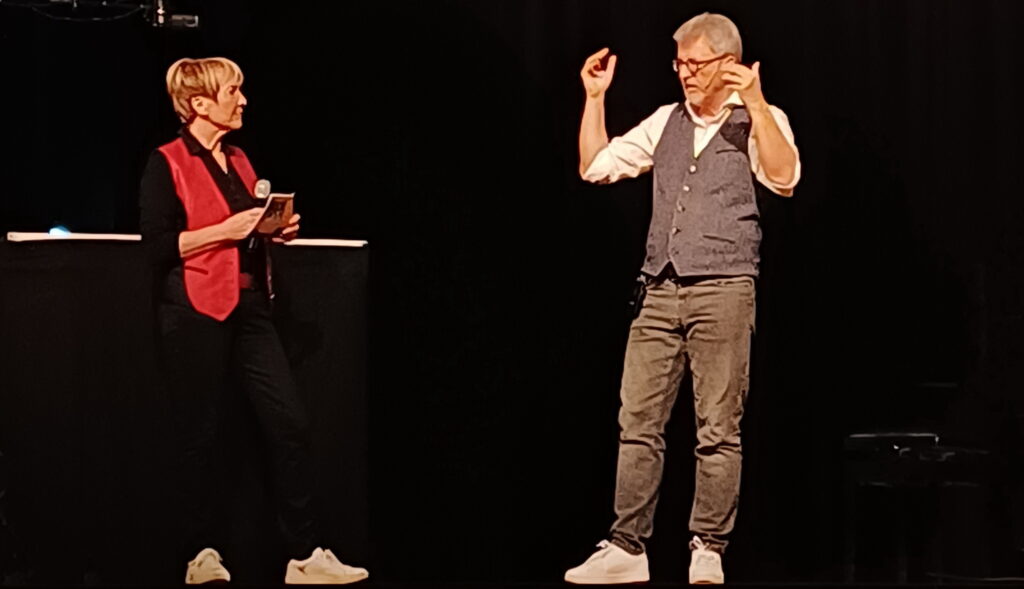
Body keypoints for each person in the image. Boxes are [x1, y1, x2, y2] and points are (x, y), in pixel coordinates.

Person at [564, 12, 800, 585]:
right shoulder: (666, 120)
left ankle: (708, 547)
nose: (686, 74)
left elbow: (784, 176)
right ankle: (627, 546)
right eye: (680, 64)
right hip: (660, 288)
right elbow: (595, 166)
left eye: (696, 64)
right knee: (637, 420)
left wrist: (757, 103)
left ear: (729, 64)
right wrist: (594, 99)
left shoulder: (759, 118)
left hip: (724, 288)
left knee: (717, 426)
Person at [139, 57, 368, 585]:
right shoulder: (167, 161)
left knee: (290, 423)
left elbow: (246, 231)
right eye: (232, 92)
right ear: (199, 103)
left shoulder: (239, 159)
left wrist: (271, 231)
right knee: (200, 433)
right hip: (194, 308)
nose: (243, 101)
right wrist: (226, 229)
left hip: (249, 307)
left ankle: (304, 555)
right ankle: (199, 554)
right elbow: (156, 247)